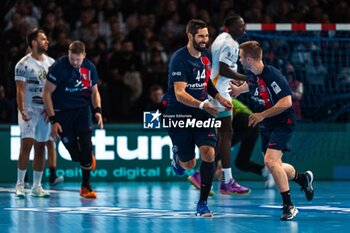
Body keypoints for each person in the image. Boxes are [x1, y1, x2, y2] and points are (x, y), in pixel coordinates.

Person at [229, 40, 314, 221]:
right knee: (273, 165)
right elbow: (250, 85)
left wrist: (261, 115)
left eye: (241, 57)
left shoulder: (272, 75)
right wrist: (238, 90)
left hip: (283, 122)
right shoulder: (251, 73)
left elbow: (286, 102)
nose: (240, 60)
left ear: (250, 59)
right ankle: (302, 178)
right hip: (268, 123)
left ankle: (289, 205)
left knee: (270, 160)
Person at [167, 19, 232, 217]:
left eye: (206, 36)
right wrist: (203, 103)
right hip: (180, 112)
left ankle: (202, 204)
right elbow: (179, 93)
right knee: (189, 165)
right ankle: (178, 159)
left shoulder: (206, 57)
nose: (205, 40)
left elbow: (206, 83)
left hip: (202, 112)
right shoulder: (179, 59)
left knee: (209, 152)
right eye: (201, 36)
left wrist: (218, 97)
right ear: (190, 36)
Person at [43, 40, 103, 199]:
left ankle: (85, 186)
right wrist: (53, 120)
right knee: (76, 155)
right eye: (72, 58)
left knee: (86, 146)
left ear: (84, 55)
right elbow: (46, 93)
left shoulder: (89, 67)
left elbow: (94, 91)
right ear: (68, 54)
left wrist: (97, 111)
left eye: (78, 59)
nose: (75, 62)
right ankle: (87, 157)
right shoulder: (59, 67)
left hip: (82, 110)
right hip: (62, 113)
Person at [204, 13, 251, 195]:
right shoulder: (230, 43)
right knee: (224, 135)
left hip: (216, 90)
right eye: (240, 26)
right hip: (218, 95)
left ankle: (204, 176)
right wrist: (245, 77)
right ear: (229, 27)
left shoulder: (221, 39)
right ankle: (226, 180)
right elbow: (223, 69)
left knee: (222, 135)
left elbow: (220, 70)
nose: (243, 29)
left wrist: (233, 82)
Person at [188, 98, 275, 193]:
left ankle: (202, 178)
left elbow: (225, 120)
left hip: (245, 120)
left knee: (218, 150)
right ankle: (265, 171)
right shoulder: (212, 102)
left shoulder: (218, 99)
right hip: (253, 126)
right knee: (241, 163)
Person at [14, 29, 54, 198]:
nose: (47, 42)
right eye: (43, 39)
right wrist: (22, 108)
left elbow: (54, 90)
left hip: (44, 110)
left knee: (40, 147)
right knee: (27, 144)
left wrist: (51, 110)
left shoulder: (51, 63)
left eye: (46, 39)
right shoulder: (22, 64)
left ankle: (37, 186)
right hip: (29, 109)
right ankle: (20, 185)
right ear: (34, 42)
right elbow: (20, 90)